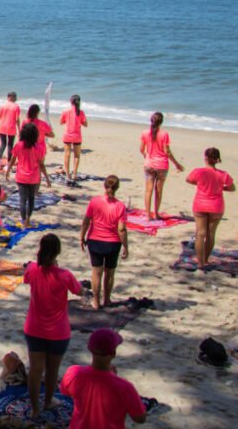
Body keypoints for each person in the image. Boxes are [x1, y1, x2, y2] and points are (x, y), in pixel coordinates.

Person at [23, 234, 82, 420]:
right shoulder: (64, 276)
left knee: (35, 370)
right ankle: (48, 401)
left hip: (34, 328)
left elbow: (27, 276)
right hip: (58, 331)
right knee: (52, 371)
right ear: (58, 252)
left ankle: (34, 408)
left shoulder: (33, 270)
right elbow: (79, 291)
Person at [60, 329, 147, 428]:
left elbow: (65, 391)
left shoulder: (73, 373)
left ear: (89, 348)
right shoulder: (125, 387)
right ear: (113, 354)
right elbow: (140, 418)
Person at [81, 176, 129, 309]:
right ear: (117, 188)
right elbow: (122, 229)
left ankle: (96, 301)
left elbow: (86, 221)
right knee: (110, 272)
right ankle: (106, 299)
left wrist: (82, 236)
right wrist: (125, 246)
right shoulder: (120, 206)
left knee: (96, 272)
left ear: (104, 186)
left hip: (95, 240)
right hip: (112, 243)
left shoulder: (95, 202)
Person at [186, 147, 234, 270]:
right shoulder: (223, 174)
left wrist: (199, 184)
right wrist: (221, 188)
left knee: (200, 234)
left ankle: (200, 262)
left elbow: (188, 180)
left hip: (200, 204)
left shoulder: (198, 172)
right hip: (216, 206)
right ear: (217, 160)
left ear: (205, 158)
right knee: (211, 234)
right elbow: (232, 188)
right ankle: (205, 259)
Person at [6, 122, 52, 226]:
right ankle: (28, 219)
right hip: (33, 177)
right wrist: (47, 178)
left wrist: (8, 171)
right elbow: (41, 165)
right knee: (31, 199)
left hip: (21, 177)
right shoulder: (38, 148)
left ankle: (23, 220)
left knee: (22, 200)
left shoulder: (19, 145)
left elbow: (12, 160)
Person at [140, 111, 184, 220]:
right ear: (161, 122)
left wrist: (147, 156)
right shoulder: (164, 134)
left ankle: (147, 215)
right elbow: (167, 152)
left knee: (148, 190)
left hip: (149, 164)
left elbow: (141, 149)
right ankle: (156, 213)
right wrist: (177, 164)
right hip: (162, 165)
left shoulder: (145, 133)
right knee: (158, 190)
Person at [60, 94, 88, 181]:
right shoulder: (81, 112)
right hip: (77, 136)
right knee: (77, 156)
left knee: (67, 155)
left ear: (70, 101)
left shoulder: (66, 111)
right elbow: (86, 124)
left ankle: (68, 175)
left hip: (67, 135)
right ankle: (75, 174)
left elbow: (61, 122)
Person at [0, 91, 20, 166]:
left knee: (3, 143)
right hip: (11, 128)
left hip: (2, 126)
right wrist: (19, 129)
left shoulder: (3, 105)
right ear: (11, 97)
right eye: (15, 96)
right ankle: (8, 162)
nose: (16, 98)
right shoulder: (16, 107)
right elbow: (17, 119)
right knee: (10, 145)